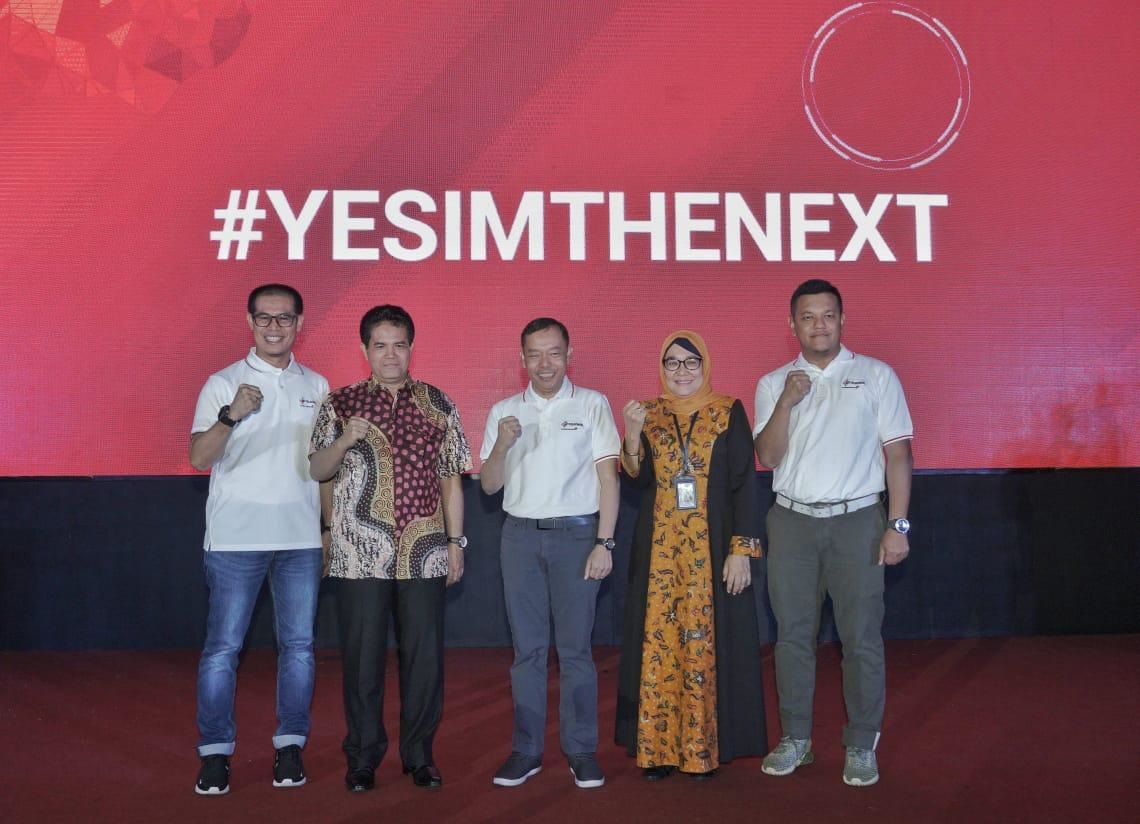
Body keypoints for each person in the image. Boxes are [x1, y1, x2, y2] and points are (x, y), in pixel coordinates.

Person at [753, 279, 914, 788]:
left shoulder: (876, 375)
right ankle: (796, 738)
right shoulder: (773, 381)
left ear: (842, 320)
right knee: (792, 638)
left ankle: (862, 743)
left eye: (827, 316)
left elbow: (899, 456)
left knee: (861, 639)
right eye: (808, 317)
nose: (818, 325)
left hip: (858, 521)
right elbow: (768, 457)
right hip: (792, 522)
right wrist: (785, 403)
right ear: (792, 325)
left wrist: (898, 525)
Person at [308, 304, 471, 792]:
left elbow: (451, 479)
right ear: (364, 351)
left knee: (424, 660)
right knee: (361, 660)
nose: (390, 354)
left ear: (411, 348)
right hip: (359, 552)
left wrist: (456, 543)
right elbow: (319, 471)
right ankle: (362, 758)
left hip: (424, 549)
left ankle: (419, 755)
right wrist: (343, 443)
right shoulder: (339, 404)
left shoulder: (438, 403)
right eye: (380, 345)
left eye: (399, 344)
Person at [189, 283, 329, 796]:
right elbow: (200, 458)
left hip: (299, 540)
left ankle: (290, 746)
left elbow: (325, 469)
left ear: (298, 323)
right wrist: (232, 414)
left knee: (298, 648)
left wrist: (328, 529)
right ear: (249, 322)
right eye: (265, 318)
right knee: (223, 649)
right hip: (234, 540)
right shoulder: (222, 383)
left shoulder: (317, 384)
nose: (274, 327)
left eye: (285, 318)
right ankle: (215, 753)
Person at [615, 330, 767, 780]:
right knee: (659, 644)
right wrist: (632, 433)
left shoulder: (727, 410)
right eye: (671, 363)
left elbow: (744, 484)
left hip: (712, 547)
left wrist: (741, 550)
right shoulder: (649, 412)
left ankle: (701, 748)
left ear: (705, 364)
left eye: (690, 362)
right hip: (660, 553)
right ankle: (659, 749)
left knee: (704, 641)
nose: (681, 372)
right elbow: (636, 480)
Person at [480, 317, 620, 789]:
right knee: (528, 653)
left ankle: (581, 751)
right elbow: (490, 484)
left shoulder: (593, 404)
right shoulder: (503, 411)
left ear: (569, 355)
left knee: (576, 651)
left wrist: (604, 542)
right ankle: (526, 750)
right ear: (522, 360)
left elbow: (608, 480)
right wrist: (501, 443)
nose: (545, 363)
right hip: (518, 537)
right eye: (535, 354)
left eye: (554, 352)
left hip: (578, 538)